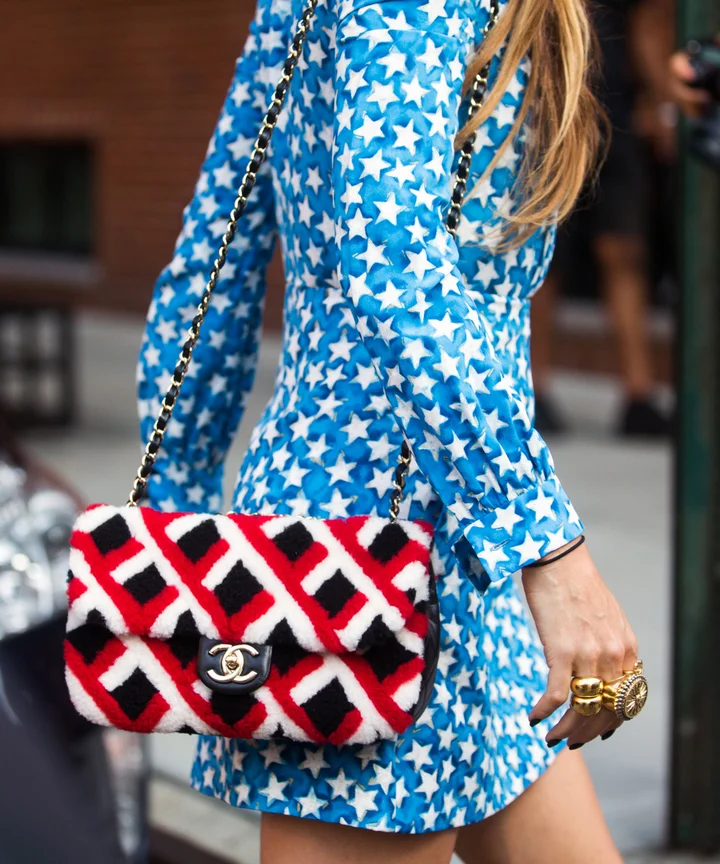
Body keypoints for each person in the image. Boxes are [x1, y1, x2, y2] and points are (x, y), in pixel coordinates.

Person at [137, 1, 642, 862]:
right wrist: (549, 547)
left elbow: (211, 259)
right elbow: (393, 263)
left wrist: (177, 509)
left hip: (451, 547)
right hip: (362, 568)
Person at [532, 0, 675, 437]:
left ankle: (638, 393)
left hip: (617, 106)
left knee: (623, 249)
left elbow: (652, 19)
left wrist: (660, 99)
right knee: (543, 255)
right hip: (547, 104)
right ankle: (534, 387)